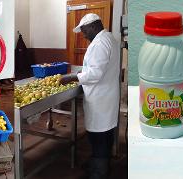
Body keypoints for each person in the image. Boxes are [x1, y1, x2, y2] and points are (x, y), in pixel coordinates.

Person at [60, 13, 120, 179]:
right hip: (108, 96)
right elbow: (99, 66)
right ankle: (98, 161)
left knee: (98, 136)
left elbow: (95, 73)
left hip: (100, 98)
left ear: (93, 26)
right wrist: (83, 72)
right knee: (106, 133)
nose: (84, 35)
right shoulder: (109, 38)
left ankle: (99, 171)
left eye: (84, 31)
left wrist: (71, 77)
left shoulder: (99, 43)